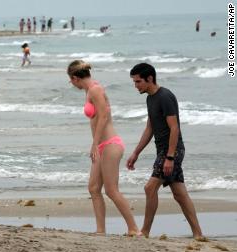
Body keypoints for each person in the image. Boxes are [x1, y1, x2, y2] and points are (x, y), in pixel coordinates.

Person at [127, 63, 205, 240]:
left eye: (138, 81)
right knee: (179, 193)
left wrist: (170, 157)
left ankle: (144, 232)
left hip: (172, 150)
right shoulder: (150, 98)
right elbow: (150, 129)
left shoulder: (165, 97)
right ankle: (198, 234)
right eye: (134, 81)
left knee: (149, 188)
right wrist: (136, 153)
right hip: (164, 150)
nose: (135, 85)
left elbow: (174, 128)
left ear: (150, 79)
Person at [67, 60, 141, 236]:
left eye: (70, 80)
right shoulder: (89, 90)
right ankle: (100, 230)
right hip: (101, 145)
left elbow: (103, 117)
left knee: (111, 190)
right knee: (93, 188)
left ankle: (134, 229)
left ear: (75, 78)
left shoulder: (95, 89)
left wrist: (94, 143)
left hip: (110, 144)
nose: (71, 84)